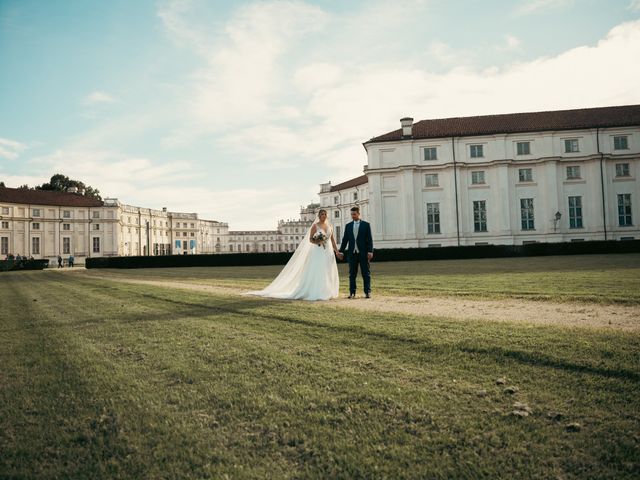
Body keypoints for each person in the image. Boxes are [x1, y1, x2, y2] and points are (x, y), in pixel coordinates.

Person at [247, 209, 340, 301]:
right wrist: (318, 241)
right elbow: (310, 240)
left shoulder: (330, 226)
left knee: (328, 270)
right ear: (319, 216)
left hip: (328, 251)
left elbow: (332, 240)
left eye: (325, 214)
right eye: (322, 214)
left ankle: (328, 291)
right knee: (318, 270)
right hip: (318, 251)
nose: (324, 216)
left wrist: (337, 251)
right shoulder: (315, 226)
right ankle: (318, 291)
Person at [337, 206, 374, 299]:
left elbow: (369, 239)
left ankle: (367, 292)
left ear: (358, 214)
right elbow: (345, 240)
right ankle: (352, 293)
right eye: (351, 214)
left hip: (363, 253)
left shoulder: (366, 225)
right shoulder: (348, 226)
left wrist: (370, 251)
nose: (352, 216)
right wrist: (341, 251)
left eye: (354, 214)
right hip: (352, 254)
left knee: (366, 273)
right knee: (352, 274)